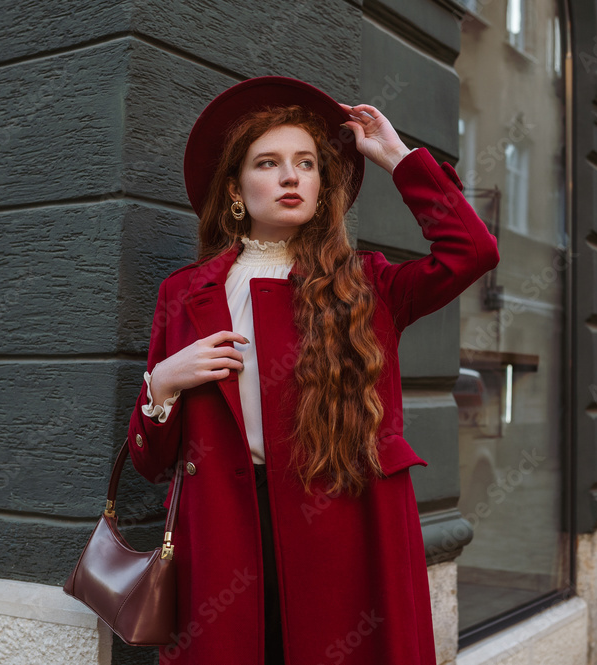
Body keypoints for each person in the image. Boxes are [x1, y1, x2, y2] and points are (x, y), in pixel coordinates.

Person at [126, 75, 499, 665]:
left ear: (324, 187)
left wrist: (398, 158)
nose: (290, 175)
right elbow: (150, 461)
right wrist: (166, 381)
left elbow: (471, 252)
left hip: (344, 532)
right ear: (236, 190)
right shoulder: (185, 293)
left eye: (305, 163)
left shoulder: (368, 285)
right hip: (223, 534)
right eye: (268, 163)